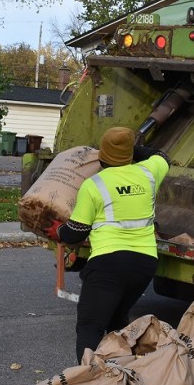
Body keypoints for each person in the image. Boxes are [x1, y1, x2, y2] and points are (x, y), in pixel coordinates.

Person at [45, 126, 170, 362]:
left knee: (90, 326)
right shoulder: (149, 173)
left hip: (108, 265)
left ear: (103, 156)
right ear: (130, 154)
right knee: (116, 322)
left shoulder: (95, 185)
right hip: (144, 265)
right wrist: (131, 150)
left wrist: (57, 230)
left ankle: (87, 380)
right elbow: (162, 156)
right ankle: (129, 374)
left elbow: (75, 232)